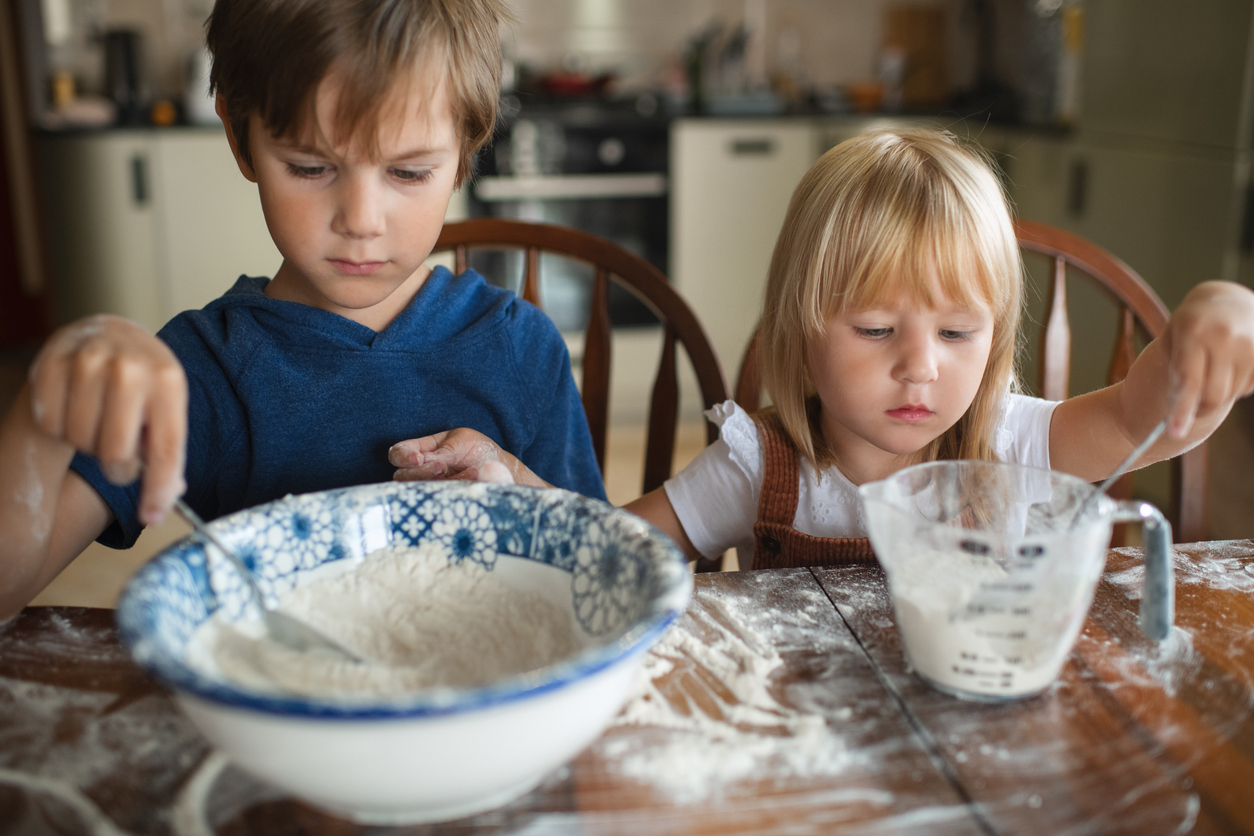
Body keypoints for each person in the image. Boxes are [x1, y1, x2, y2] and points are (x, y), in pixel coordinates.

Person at [389, 127, 1254, 570]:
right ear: (804, 326)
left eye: (958, 333)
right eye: (877, 330)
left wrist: (1214, 313)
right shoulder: (759, 466)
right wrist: (515, 483)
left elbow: (1153, 418)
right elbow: (615, 546)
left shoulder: (1019, 446)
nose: (921, 365)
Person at [0, 0, 604, 619]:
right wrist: (45, 407)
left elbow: (599, 569)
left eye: (409, 171)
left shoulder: (519, 346)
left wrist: (516, 484)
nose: (361, 221)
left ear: (464, 152)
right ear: (240, 138)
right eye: (310, 167)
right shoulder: (203, 372)